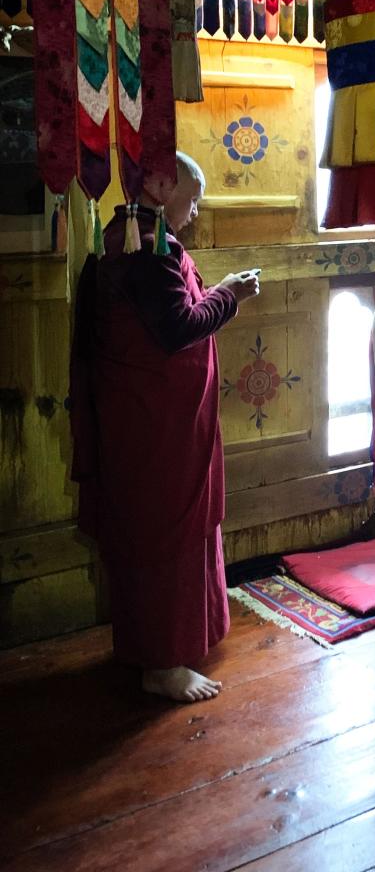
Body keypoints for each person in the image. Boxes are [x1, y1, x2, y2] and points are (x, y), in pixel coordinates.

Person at [69, 153, 259, 703]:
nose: (195, 211)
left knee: (155, 530)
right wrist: (230, 293)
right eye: (192, 196)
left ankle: (158, 647)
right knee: (165, 532)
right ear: (159, 185)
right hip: (156, 424)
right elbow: (179, 327)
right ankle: (163, 664)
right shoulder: (147, 248)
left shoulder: (131, 236)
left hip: (152, 415)